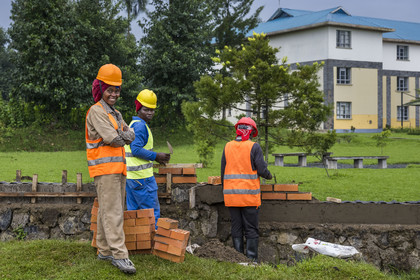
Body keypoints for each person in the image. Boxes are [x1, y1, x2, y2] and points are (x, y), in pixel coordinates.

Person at [85, 64, 136, 274]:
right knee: (114, 212)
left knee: (107, 210)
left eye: (117, 90)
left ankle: (104, 250)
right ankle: (120, 255)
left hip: (116, 168)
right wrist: (123, 135)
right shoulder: (96, 111)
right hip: (105, 170)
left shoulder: (116, 113)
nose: (114, 93)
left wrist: (123, 135)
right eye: (110, 89)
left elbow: (131, 134)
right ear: (101, 88)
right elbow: (114, 139)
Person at [221, 117, 272, 262]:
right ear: (251, 131)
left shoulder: (227, 146)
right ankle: (251, 260)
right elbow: (262, 169)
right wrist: (269, 176)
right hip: (249, 197)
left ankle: (238, 259)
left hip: (231, 197)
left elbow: (223, 172)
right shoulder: (254, 147)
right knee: (251, 228)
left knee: (236, 227)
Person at [124, 89, 170, 226]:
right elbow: (136, 149)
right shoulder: (140, 127)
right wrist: (156, 156)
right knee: (151, 214)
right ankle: (152, 245)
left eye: (152, 110)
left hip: (132, 178)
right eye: (146, 109)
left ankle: (136, 245)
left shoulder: (132, 124)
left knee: (134, 214)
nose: (150, 113)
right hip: (142, 179)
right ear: (138, 108)